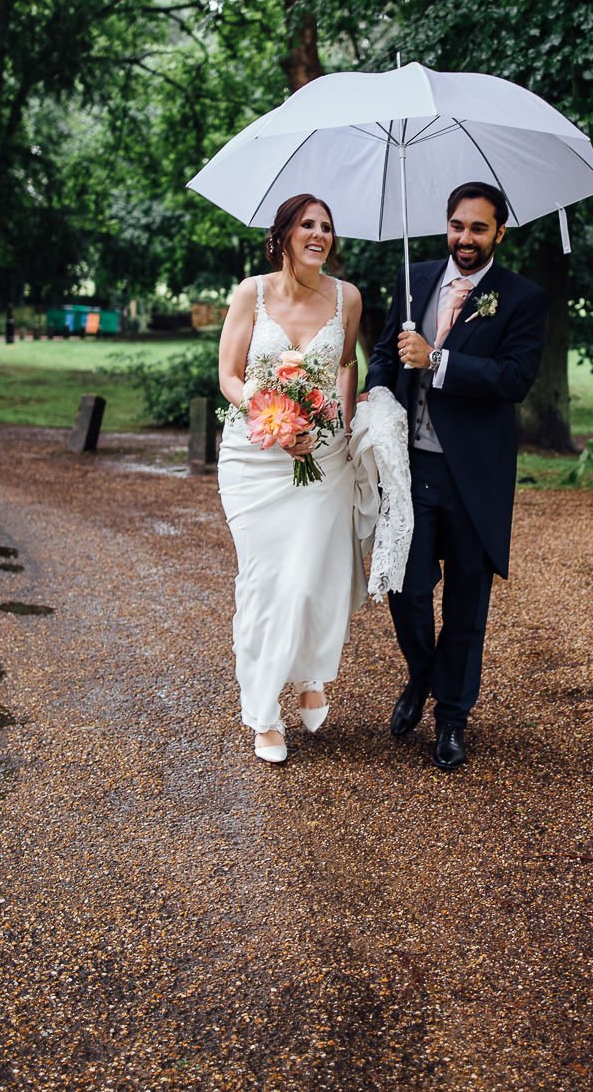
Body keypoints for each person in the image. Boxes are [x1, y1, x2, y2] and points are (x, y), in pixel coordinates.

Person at [363, 182, 546, 771]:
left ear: (500, 232)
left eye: (478, 229)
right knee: (407, 586)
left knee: (467, 600)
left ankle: (451, 721)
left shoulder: (521, 298)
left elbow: (513, 378)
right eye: (457, 227)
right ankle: (423, 676)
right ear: (446, 226)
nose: (465, 240)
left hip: (475, 473)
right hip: (411, 466)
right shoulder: (413, 277)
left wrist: (438, 360)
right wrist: (378, 392)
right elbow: (387, 353)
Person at [216, 194, 366, 763]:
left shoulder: (346, 297)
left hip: (324, 458)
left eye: (327, 227)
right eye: (307, 224)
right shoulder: (250, 293)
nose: (319, 234)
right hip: (254, 459)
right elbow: (229, 376)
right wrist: (268, 415)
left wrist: (346, 430)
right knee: (265, 580)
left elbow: (344, 368)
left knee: (309, 580)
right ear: (283, 234)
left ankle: (309, 676)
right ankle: (262, 712)